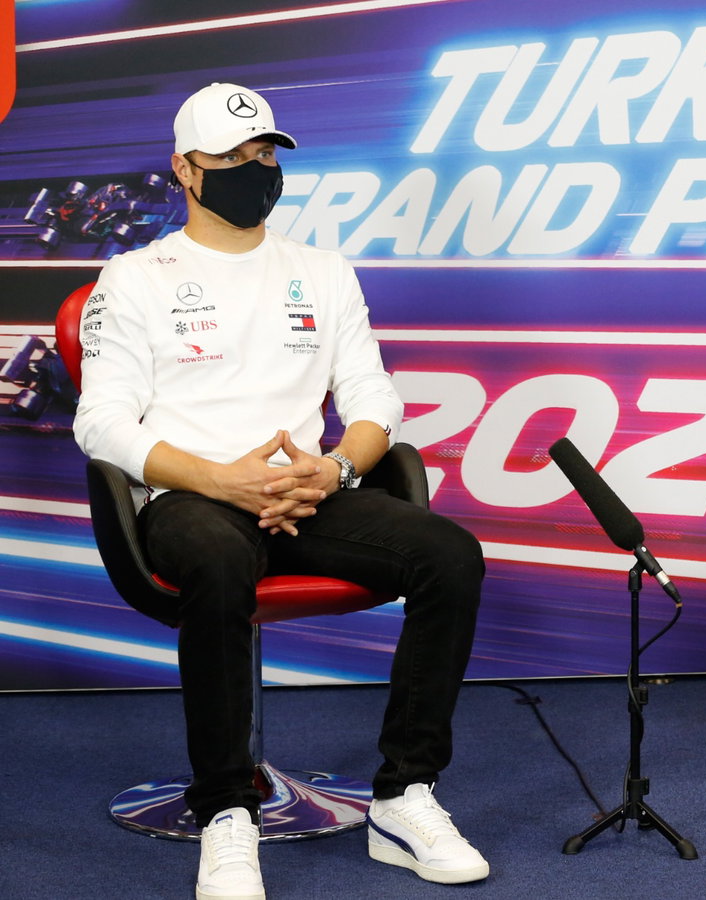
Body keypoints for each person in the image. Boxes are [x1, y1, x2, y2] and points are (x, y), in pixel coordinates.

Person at [74, 83, 489, 899]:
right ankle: (228, 813)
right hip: (189, 500)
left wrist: (332, 467)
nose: (252, 171)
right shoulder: (133, 277)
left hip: (310, 493)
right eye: (229, 158)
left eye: (263, 156)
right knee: (219, 562)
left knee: (450, 554)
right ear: (184, 171)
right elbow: (102, 424)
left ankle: (404, 797)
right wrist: (218, 476)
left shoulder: (323, 272)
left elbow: (375, 399)